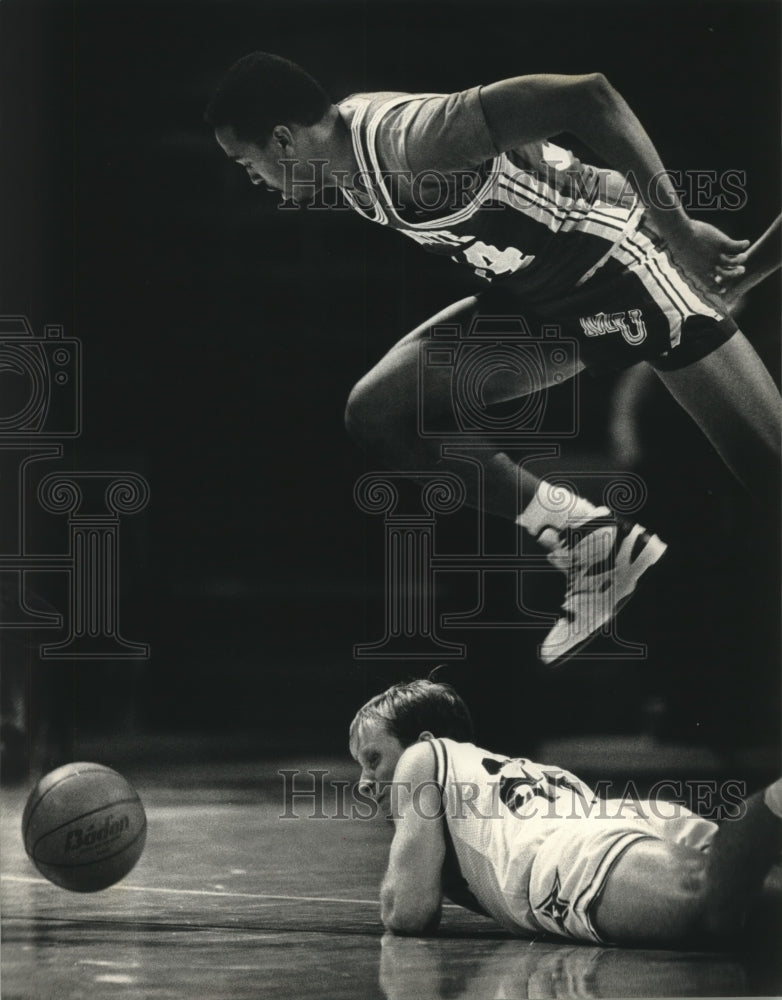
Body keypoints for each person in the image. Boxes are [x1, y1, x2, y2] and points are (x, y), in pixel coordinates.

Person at [205, 54, 781, 665]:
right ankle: (589, 541)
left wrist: (682, 230)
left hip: (627, 269)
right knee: (379, 411)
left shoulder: (412, 139)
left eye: (247, 163)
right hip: (546, 304)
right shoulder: (343, 165)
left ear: (284, 140)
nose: (253, 178)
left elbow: (589, 95)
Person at [349, 679, 782, 946]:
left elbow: (408, 912)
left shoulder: (420, 759)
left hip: (562, 854)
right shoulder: (511, 773)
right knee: (756, 906)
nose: (364, 782)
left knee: (712, 903)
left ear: (423, 739)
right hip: (619, 817)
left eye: (373, 759)